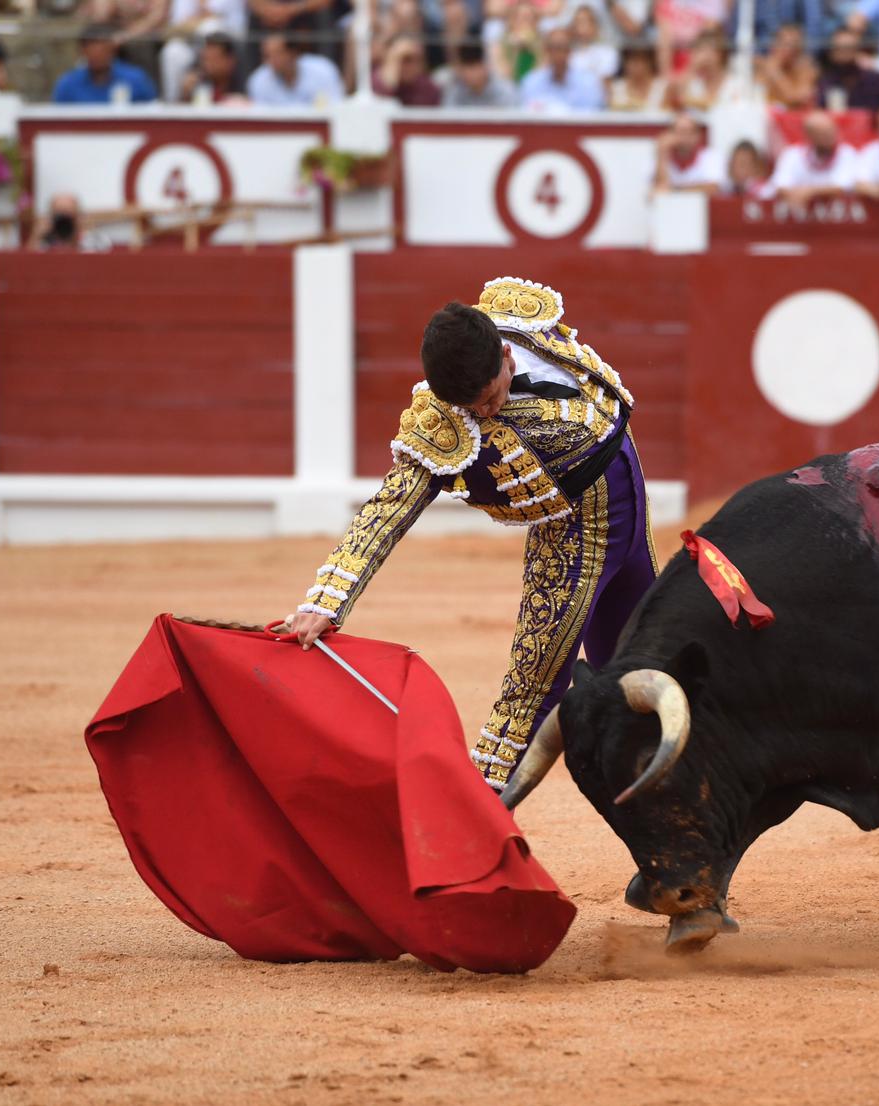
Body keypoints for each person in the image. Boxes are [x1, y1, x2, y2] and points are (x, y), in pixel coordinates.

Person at [280, 281, 657, 796]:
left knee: (645, 657)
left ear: (506, 356)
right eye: (471, 406)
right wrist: (325, 600)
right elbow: (388, 510)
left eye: (490, 397)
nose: (483, 414)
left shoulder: (520, 320)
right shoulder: (443, 425)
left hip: (631, 505)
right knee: (530, 695)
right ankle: (469, 823)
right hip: (574, 540)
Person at [765, 109, 860, 203]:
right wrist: (796, 195)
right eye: (821, 133)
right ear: (809, 135)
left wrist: (809, 192)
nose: (829, 137)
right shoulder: (792, 154)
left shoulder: (847, 153)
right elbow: (779, 184)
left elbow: (844, 186)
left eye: (830, 131)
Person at [53, 22, 160, 103]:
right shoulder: (68, 84)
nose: (98, 58)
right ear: (83, 52)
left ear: (113, 50)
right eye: (93, 54)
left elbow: (153, 114)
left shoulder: (136, 79)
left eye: (103, 52)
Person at [520, 26, 608, 110]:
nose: (558, 53)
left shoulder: (588, 83)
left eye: (563, 48)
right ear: (546, 50)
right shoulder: (531, 82)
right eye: (553, 48)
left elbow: (593, 114)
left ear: (570, 51)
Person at [247, 33, 344, 106]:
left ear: (293, 53)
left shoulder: (323, 70)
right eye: (267, 56)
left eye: (278, 54)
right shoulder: (258, 80)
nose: (272, 61)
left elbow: (336, 107)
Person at [816, 25, 879, 109]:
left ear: (859, 50)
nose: (844, 53)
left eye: (848, 48)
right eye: (838, 48)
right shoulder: (824, 83)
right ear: (831, 53)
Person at [666, 30, 751, 109]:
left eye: (709, 51)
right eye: (699, 51)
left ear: (720, 54)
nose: (704, 57)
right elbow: (673, 99)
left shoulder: (737, 84)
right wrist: (692, 67)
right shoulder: (693, 82)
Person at [653, 111, 725, 193]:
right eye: (677, 132)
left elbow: (712, 188)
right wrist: (662, 154)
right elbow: (658, 188)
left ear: (697, 135)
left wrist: (674, 190)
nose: (682, 137)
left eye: (686, 131)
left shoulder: (711, 156)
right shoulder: (660, 155)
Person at [760, 22, 820, 107]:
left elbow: (797, 98)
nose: (788, 49)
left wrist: (776, 73)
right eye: (783, 43)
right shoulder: (761, 65)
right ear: (773, 44)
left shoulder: (807, 68)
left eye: (793, 44)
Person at [445, 40, 521, 105]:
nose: (470, 73)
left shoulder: (505, 91)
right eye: (466, 67)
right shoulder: (455, 91)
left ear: (486, 65)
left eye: (474, 66)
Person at [179, 31, 246, 103]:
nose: (207, 65)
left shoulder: (244, 83)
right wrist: (186, 94)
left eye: (213, 59)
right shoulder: (197, 82)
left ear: (230, 60)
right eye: (205, 59)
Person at [374, 34, 443, 104]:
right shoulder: (371, 86)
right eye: (406, 59)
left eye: (419, 59)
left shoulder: (428, 90)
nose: (414, 65)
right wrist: (389, 86)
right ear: (388, 58)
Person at [36, 193, 111, 252]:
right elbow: (32, 262)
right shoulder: (44, 243)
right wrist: (37, 236)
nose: (64, 223)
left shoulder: (96, 241)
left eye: (68, 215)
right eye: (59, 216)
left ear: (79, 217)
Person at [607, 42, 668, 109]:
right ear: (625, 64)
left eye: (643, 61)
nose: (638, 66)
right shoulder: (616, 87)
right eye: (633, 61)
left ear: (651, 63)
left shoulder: (662, 87)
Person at [569, 4, 620, 80]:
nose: (580, 27)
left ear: (595, 25)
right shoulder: (568, 54)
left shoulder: (608, 52)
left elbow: (606, 79)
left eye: (584, 22)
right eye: (577, 22)